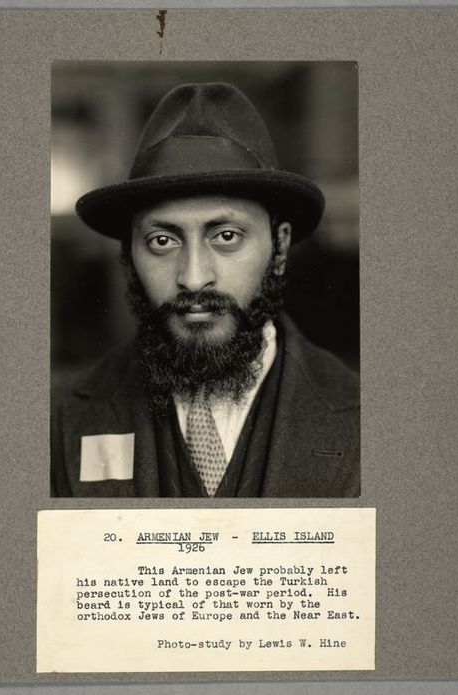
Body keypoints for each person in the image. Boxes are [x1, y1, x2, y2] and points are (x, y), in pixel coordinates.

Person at [51, 81, 359, 498]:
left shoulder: (368, 419)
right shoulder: (57, 419)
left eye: (226, 235)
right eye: (163, 241)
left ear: (280, 246)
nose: (194, 278)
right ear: (129, 255)